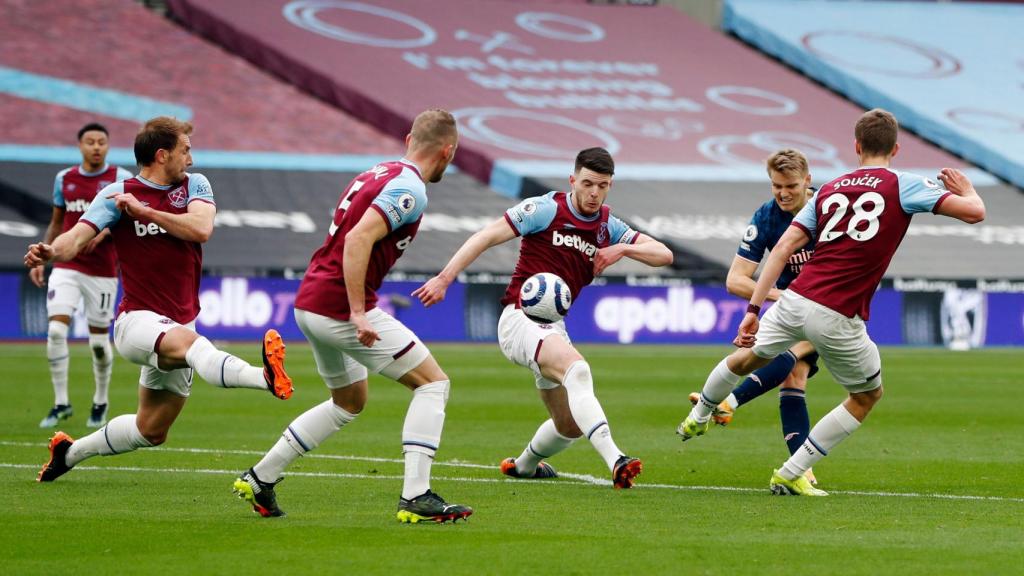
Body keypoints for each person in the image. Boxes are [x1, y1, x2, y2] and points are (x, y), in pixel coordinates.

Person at [677, 109, 985, 496]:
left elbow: (785, 246)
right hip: (839, 314)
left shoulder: (828, 189)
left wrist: (754, 310)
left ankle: (699, 414)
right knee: (866, 395)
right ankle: (791, 471)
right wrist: (966, 189)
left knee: (745, 359)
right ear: (896, 148)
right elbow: (975, 213)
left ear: (855, 147)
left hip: (796, 300)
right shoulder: (903, 185)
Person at [233, 109, 472, 524]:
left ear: (408, 139)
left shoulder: (379, 171)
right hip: (339, 307)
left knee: (348, 402)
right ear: (447, 151)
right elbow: (360, 237)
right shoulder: (410, 189)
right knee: (434, 384)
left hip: (312, 301)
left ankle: (261, 477)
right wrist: (359, 311)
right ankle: (416, 495)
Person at [27, 116, 293, 484]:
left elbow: (201, 229)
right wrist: (49, 251)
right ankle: (264, 378)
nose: (192, 158)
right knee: (195, 346)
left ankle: (68, 453)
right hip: (136, 321)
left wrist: (146, 212)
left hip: (179, 321)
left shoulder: (195, 185)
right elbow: (75, 238)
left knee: (150, 431)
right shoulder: (115, 195)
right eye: (186, 150)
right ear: (162, 154)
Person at [414, 147, 673, 489]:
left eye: (603, 186)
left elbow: (664, 255)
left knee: (569, 425)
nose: (594, 193)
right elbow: (486, 236)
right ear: (572, 180)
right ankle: (617, 459)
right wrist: (445, 277)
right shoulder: (546, 208)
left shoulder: (607, 226)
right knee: (578, 370)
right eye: (588, 183)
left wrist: (624, 248)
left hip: (552, 328)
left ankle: (523, 466)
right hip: (519, 319)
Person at [687, 148, 823, 485]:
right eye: (776, 185)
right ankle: (799, 468)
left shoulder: (830, 210)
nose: (783, 193)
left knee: (793, 357)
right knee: (794, 376)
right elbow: (735, 279)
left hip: (833, 302)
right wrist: (779, 296)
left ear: (807, 181)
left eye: (790, 185)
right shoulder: (766, 216)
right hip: (793, 306)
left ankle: (729, 401)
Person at [31, 123, 133, 429]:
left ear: (108, 146)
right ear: (80, 146)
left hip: (102, 270)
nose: (96, 147)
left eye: (102, 142)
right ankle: (61, 402)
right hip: (66, 267)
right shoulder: (65, 179)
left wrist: (100, 236)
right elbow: (57, 221)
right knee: (57, 333)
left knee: (99, 344)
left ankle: (100, 401)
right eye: (90, 142)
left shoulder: (120, 179)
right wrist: (43, 255)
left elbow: (126, 220)